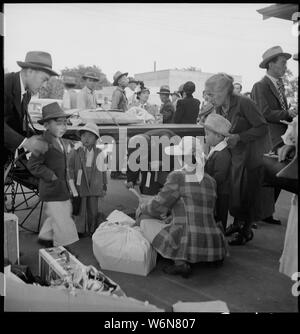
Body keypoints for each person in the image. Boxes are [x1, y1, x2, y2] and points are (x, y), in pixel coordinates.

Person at [136, 136, 227, 277]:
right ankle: (206, 259)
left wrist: (142, 207)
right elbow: (196, 207)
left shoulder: (177, 176)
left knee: (144, 220)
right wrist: (172, 215)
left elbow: (158, 206)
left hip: (187, 238)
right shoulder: (210, 180)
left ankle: (180, 263)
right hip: (213, 240)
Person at [205, 73, 268, 245]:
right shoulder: (219, 108)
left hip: (250, 155)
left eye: (211, 94)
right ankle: (237, 224)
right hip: (234, 156)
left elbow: (262, 127)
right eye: (207, 94)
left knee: (247, 192)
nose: (208, 98)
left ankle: (246, 231)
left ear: (224, 91)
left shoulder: (244, 103)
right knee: (235, 193)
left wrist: (239, 137)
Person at [251, 46, 297, 225]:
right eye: (283, 63)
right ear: (270, 64)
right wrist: (287, 114)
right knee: (272, 175)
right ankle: (262, 213)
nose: (285, 67)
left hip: (280, 136)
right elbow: (263, 112)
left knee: (277, 175)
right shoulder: (260, 85)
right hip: (270, 137)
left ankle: (266, 212)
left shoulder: (278, 85)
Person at [27, 102, 79, 248]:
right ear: (46, 125)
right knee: (62, 220)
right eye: (58, 123)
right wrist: (51, 175)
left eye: (65, 123)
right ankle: (63, 249)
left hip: (61, 187)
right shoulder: (42, 142)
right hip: (52, 188)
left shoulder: (60, 140)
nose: (63, 127)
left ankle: (45, 237)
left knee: (59, 214)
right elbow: (33, 165)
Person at [4, 51, 58, 164]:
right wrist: (26, 143)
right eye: (44, 80)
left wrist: (44, 139)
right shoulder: (5, 84)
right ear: (30, 71)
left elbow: (17, 123)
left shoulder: (26, 94)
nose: (44, 86)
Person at [68, 122, 108, 236]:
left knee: (93, 209)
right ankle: (79, 230)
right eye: (84, 135)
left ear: (96, 139)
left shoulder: (100, 153)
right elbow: (69, 169)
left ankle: (92, 229)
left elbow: (103, 170)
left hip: (95, 184)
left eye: (90, 136)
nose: (86, 138)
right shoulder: (75, 152)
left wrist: (104, 186)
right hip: (80, 184)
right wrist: (71, 186)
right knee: (81, 209)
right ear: (80, 137)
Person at [201, 114, 232, 232]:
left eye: (207, 134)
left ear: (219, 136)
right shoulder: (216, 150)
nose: (205, 137)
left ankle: (219, 240)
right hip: (217, 191)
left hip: (220, 193)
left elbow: (219, 176)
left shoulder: (222, 154)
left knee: (218, 217)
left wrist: (205, 180)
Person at [126, 129, 176, 195]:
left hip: (168, 157)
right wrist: (131, 180)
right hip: (153, 157)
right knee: (147, 189)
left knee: (166, 183)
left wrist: (162, 163)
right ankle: (149, 194)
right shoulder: (134, 146)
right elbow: (133, 163)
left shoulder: (166, 142)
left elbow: (177, 160)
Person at [111, 71, 129, 179]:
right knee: (119, 148)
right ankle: (115, 172)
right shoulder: (117, 93)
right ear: (119, 81)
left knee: (121, 149)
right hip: (119, 124)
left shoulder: (122, 92)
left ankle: (117, 171)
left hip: (122, 123)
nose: (127, 80)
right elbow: (113, 108)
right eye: (124, 78)